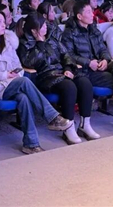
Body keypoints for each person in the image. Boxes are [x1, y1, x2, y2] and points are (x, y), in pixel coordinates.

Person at [0, 11, 72, 153]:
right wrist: (5, 75)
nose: (4, 24)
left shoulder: (8, 42)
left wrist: (15, 74)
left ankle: (30, 144)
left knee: (23, 98)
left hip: (12, 83)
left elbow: (17, 65)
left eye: (3, 21)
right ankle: (52, 117)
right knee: (24, 82)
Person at [62, 2, 113, 132]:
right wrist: (88, 62)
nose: (92, 14)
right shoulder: (69, 33)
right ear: (79, 16)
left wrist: (105, 60)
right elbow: (68, 55)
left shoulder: (94, 29)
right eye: (88, 12)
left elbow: (103, 49)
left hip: (100, 66)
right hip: (84, 71)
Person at [17, 13, 98, 144]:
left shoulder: (52, 38)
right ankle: (68, 127)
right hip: (45, 77)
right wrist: (40, 44)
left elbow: (66, 55)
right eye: (42, 26)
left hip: (62, 72)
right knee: (69, 87)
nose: (46, 27)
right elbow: (29, 62)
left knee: (85, 83)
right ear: (33, 30)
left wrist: (68, 68)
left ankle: (85, 124)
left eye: (45, 24)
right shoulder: (25, 43)